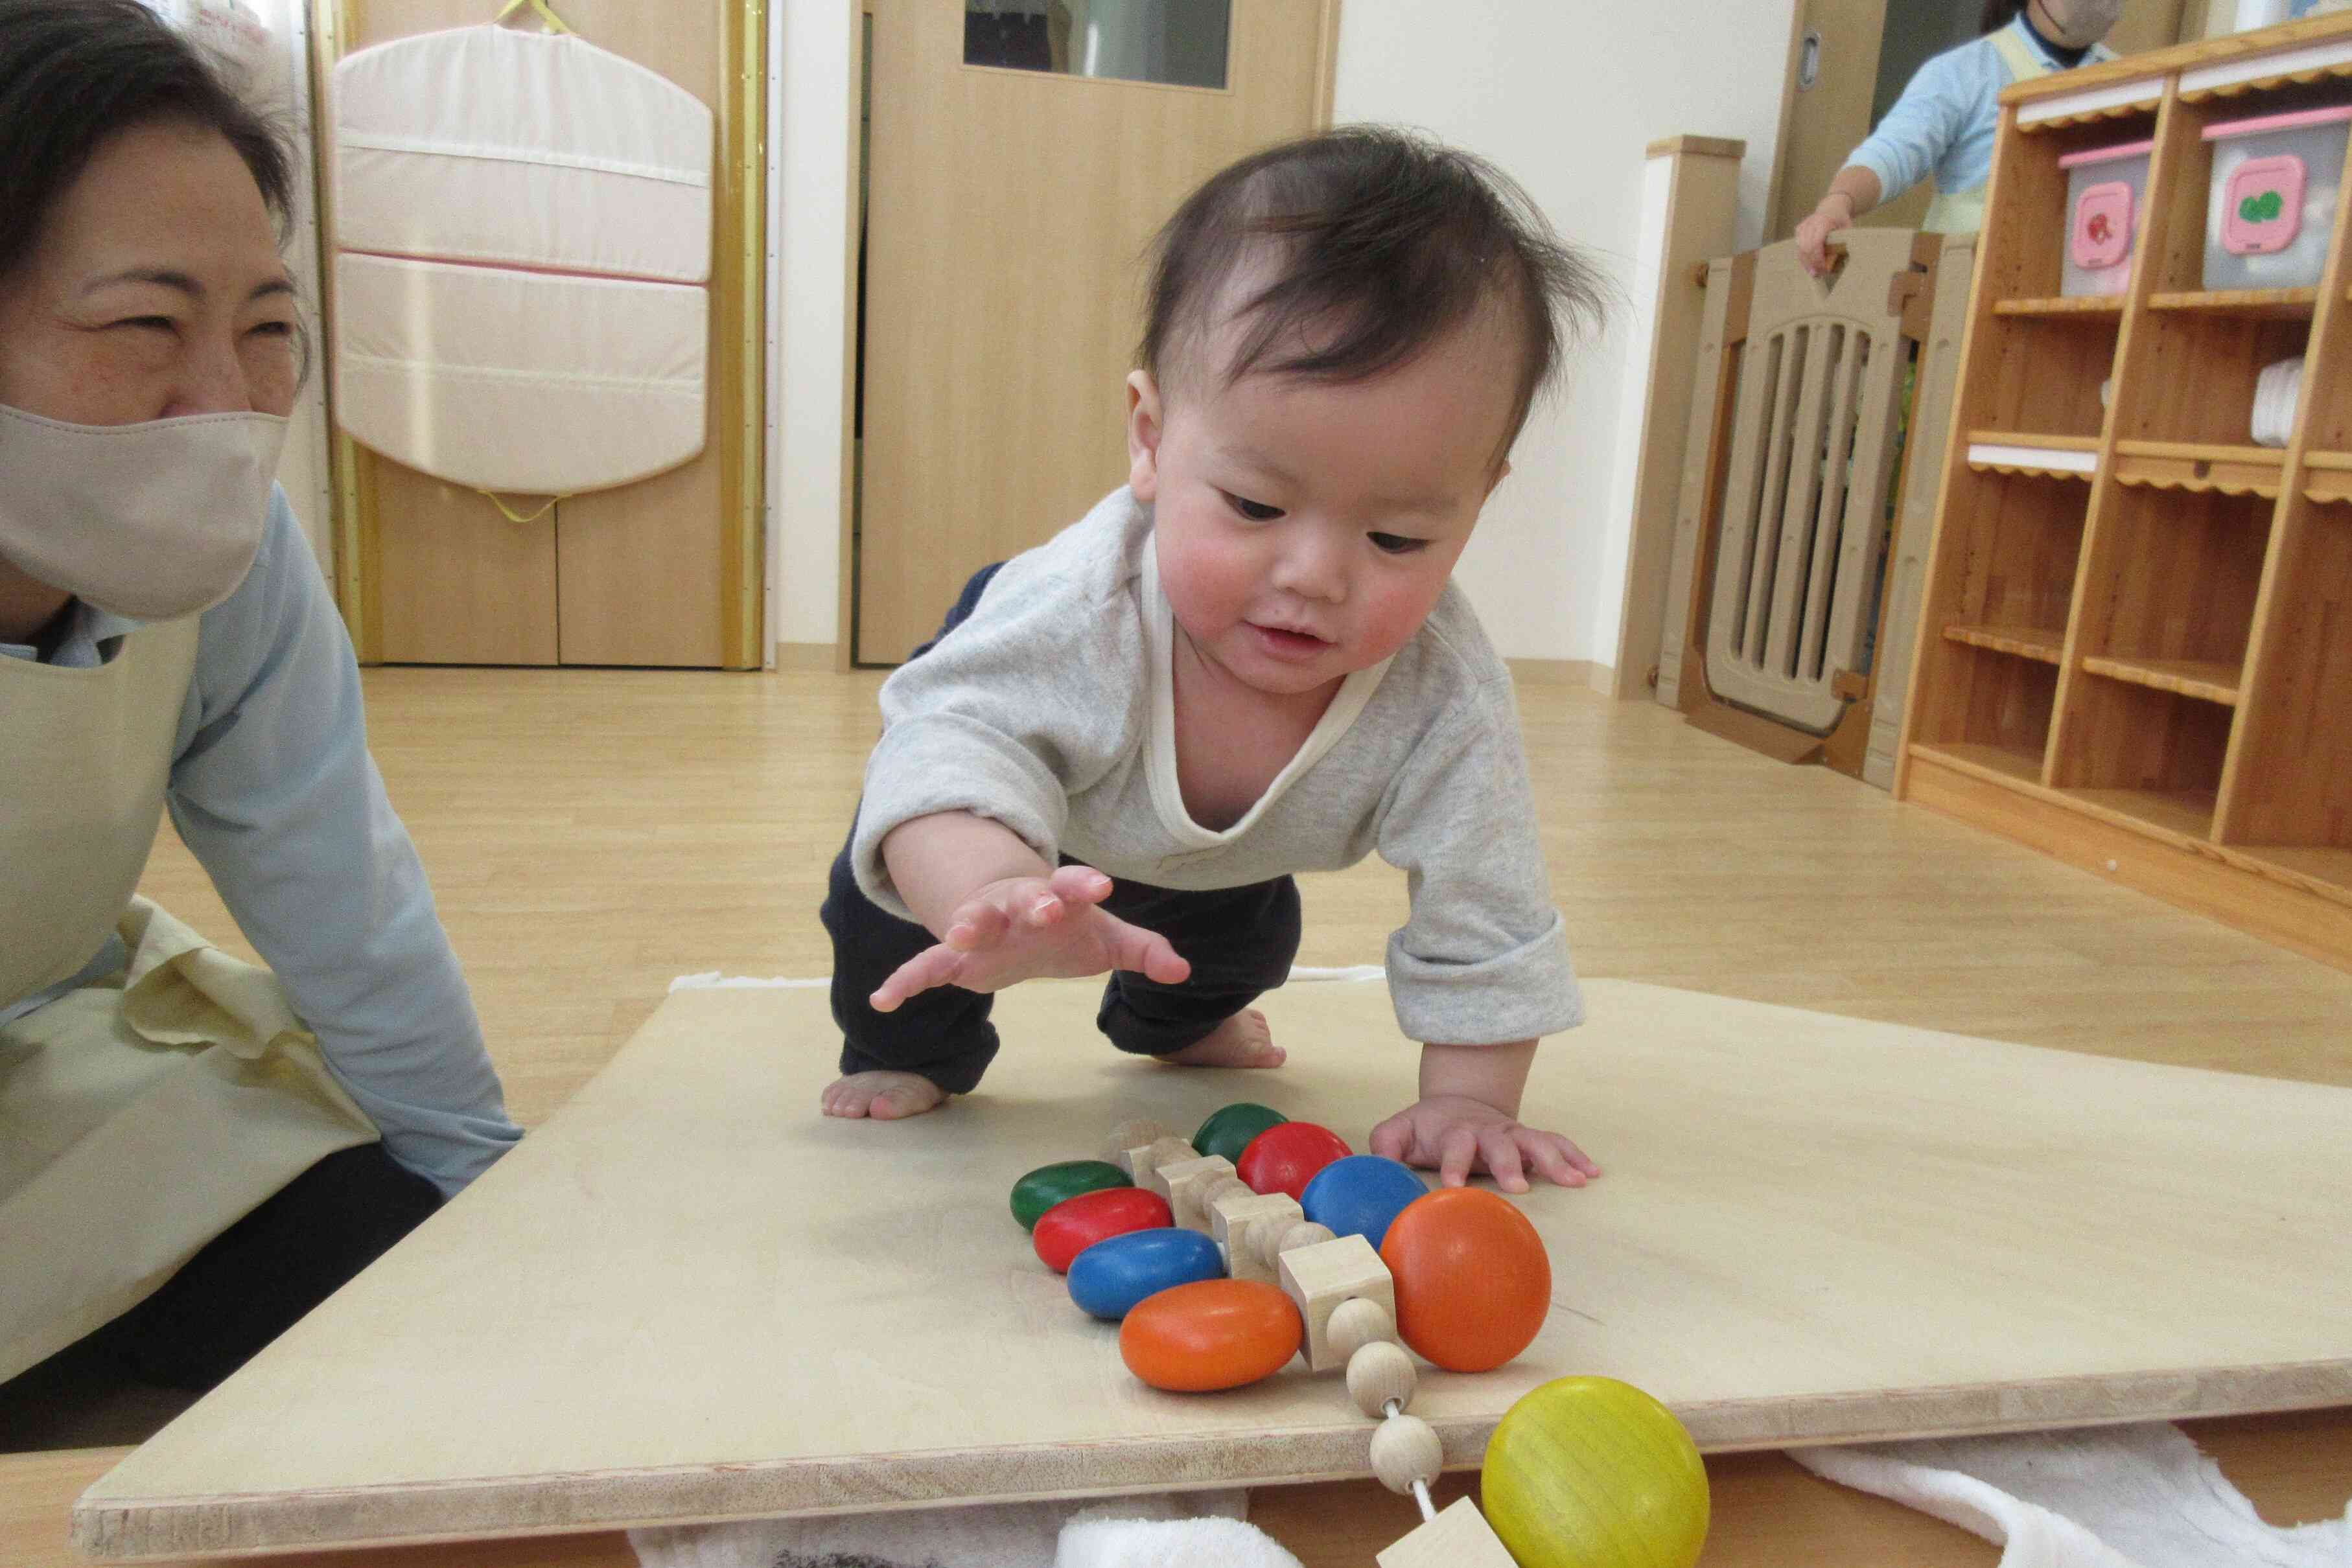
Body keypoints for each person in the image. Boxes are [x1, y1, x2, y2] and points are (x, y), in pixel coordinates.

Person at [817, 128, 1606, 1195]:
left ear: (1476, 500)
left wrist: (1467, 1099)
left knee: (1237, 945)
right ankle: (912, 1051)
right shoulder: (1071, 614)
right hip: (1021, 783)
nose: (1315, 574)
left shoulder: (1443, 691)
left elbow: (1486, 904)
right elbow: (947, 753)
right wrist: (991, 884)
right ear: (1149, 439)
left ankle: (1171, 1019)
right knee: (912, 921)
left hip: (1228, 856)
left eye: (1397, 538)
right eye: (1253, 505)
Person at [0, 0, 520, 1400]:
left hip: (39, 1053)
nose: (224, 404)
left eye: (269, 325)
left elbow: (337, 886)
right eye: (145, 324)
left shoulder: (235, 570)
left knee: (383, 1249)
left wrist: (485, 1192)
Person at [1797, 0, 2125, 274]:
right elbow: (1895, 151)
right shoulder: (1965, 71)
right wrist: (1839, 202)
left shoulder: (2136, 78)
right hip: (1963, 290)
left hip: (2090, 291)